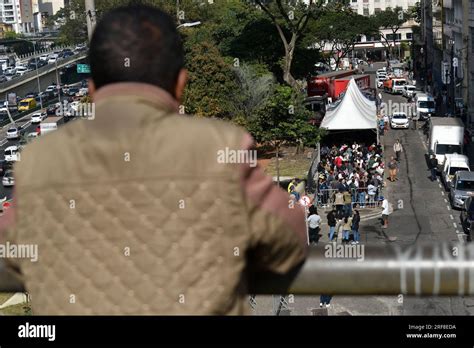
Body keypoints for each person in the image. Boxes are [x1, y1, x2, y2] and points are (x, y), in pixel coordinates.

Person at [0, 5, 308, 315]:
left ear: (91, 89)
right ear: (181, 83)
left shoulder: (40, 160)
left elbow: (9, 254)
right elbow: (289, 237)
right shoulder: (221, 147)